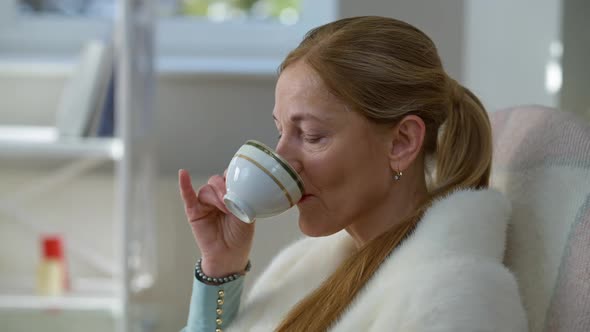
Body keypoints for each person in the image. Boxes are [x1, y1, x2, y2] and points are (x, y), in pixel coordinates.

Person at [179, 16, 528, 332]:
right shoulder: (305, 269)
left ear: (402, 143)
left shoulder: (454, 302)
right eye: (280, 132)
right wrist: (221, 267)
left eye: (311, 136)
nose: (282, 158)